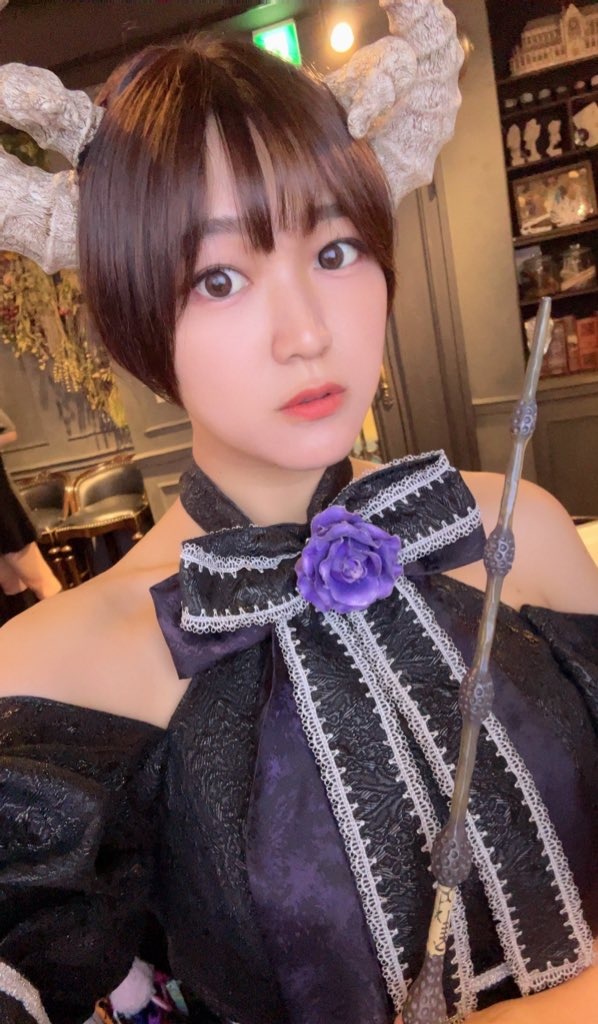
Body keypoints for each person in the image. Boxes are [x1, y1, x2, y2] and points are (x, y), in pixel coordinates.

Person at [0, 7, 597, 1024]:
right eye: (219, 278)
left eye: (334, 250)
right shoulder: (55, 671)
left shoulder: (520, 532)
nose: (306, 333)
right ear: (137, 309)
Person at [0, 407, 61, 619]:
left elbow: (10, 433)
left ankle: (72, 626)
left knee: (41, 581)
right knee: (10, 584)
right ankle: (34, 632)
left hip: (4, 509)